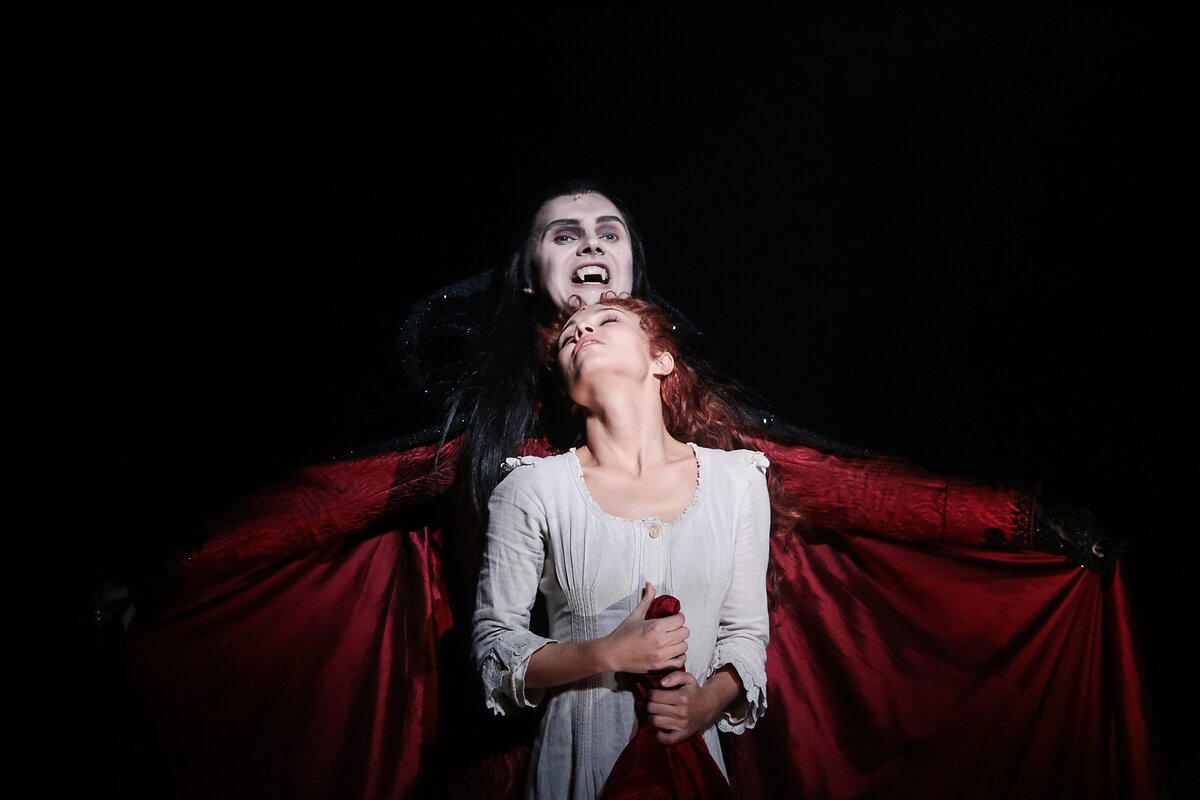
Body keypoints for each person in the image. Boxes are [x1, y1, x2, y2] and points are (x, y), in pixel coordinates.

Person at [109, 181, 1157, 799]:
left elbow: (842, 488)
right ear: (531, 276)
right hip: (514, 762)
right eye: (562, 232)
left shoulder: (710, 445)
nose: (588, 243)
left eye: (607, 230)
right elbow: (324, 503)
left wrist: (1023, 521)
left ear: (639, 295)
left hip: (676, 760)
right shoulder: (494, 446)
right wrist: (168, 575)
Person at [472, 296, 772, 798]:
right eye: (568, 337)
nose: (581, 332)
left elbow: (745, 634)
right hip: (577, 770)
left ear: (661, 360)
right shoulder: (533, 487)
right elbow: (495, 644)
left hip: (690, 770)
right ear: (568, 391)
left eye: (606, 320)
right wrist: (607, 652)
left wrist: (705, 703)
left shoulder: (738, 481)